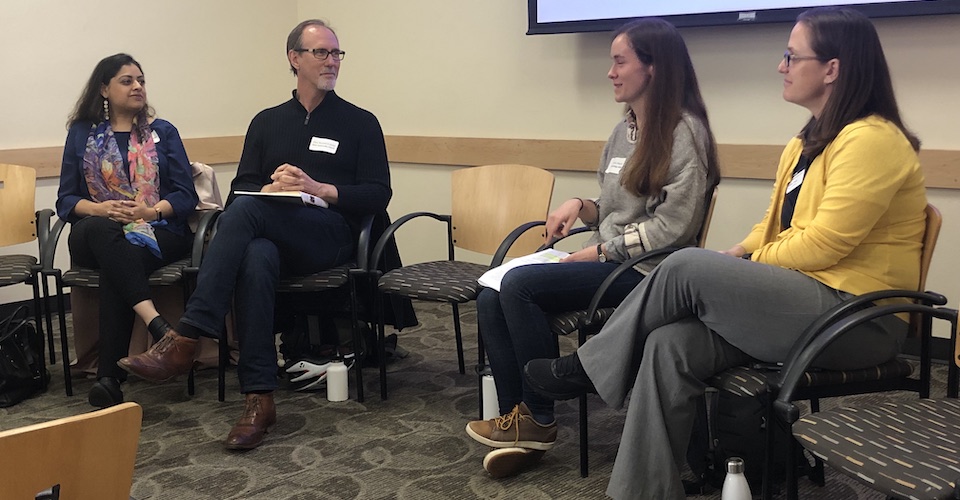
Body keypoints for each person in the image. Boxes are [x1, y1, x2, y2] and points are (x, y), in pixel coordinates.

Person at [523, 7, 927, 499]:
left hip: (859, 318)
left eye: (791, 55)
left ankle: (588, 367)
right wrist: (737, 251)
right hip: (807, 304)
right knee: (669, 344)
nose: (781, 65)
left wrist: (736, 267)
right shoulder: (808, 140)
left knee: (686, 264)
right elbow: (772, 225)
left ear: (832, 68)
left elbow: (826, 243)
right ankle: (642, 491)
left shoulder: (872, 139)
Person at [118, 19, 392, 450]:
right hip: (276, 233)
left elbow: (378, 193)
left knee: (247, 214)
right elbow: (243, 186)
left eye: (337, 53)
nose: (331, 62)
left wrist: (317, 188)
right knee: (257, 254)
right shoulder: (266, 122)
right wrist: (272, 189)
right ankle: (259, 399)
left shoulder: (360, 122)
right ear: (294, 58)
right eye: (321, 52)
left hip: (331, 236)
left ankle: (188, 335)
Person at [465, 18, 720, 477]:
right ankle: (519, 416)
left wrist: (602, 253)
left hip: (648, 274)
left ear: (654, 68)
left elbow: (673, 229)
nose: (611, 72)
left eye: (620, 61)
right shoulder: (624, 129)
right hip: (611, 261)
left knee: (519, 285)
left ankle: (539, 417)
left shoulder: (685, 133)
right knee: (489, 295)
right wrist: (580, 205)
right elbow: (614, 206)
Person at [57, 54, 199, 409]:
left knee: (118, 261)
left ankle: (108, 379)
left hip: (156, 228)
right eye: (126, 80)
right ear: (104, 89)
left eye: (141, 80)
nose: (137, 86)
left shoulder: (162, 132)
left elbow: (185, 195)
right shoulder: (81, 134)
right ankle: (161, 331)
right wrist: (102, 209)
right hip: (94, 228)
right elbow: (66, 200)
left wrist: (150, 210)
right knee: (106, 234)